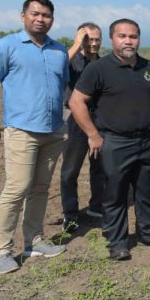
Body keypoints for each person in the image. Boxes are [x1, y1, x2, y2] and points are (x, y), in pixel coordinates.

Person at [0, 0, 69, 274]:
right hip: (22, 130)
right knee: (16, 188)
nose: (40, 19)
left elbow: (61, 87)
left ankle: (34, 240)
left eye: (46, 15)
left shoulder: (59, 51)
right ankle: (2, 250)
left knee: (41, 188)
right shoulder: (6, 46)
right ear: (23, 16)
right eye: (35, 14)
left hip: (53, 131)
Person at [69, 18, 150, 261]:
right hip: (114, 141)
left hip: (146, 139)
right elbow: (76, 102)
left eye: (133, 36)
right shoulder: (99, 69)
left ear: (139, 39)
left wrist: (145, 118)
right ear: (112, 39)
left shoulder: (148, 68)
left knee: (148, 190)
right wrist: (93, 135)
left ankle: (149, 232)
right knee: (114, 194)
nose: (128, 41)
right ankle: (117, 242)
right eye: (122, 36)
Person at [60, 22, 108, 232]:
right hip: (75, 120)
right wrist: (76, 44)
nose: (93, 44)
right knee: (70, 170)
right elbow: (57, 67)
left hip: (100, 118)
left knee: (99, 165)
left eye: (97, 39)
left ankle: (97, 205)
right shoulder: (70, 60)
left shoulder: (105, 63)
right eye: (89, 39)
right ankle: (70, 214)